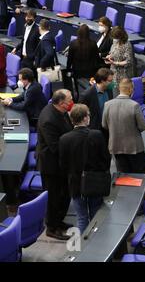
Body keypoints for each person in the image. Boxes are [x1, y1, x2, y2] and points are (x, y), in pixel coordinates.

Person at [59, 104, 110, 233]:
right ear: (86, 118)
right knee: (95, 216)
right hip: (95, 182)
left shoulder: (64, 139)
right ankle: (96, 244)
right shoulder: (97, 135)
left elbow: (63, 165)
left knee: (81, 218)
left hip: (75, 184)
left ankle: (83, 249)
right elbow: (106, 159)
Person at [37, 89, 74, 240]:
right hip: (51, 166)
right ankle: (52, 227)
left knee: (64, 195)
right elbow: (55, 147)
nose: (72, 102)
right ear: (61, 103)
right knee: (54, 197)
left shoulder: (60, 111)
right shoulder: (49, 120)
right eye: (69, 100)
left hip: (61, 164)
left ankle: (59, 221)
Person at [102, 78, 145, 173]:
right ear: (131, 89)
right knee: (137, 176)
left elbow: (104, 125)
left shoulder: (107, 104)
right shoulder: (134, 105)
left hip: (116, 146)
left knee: (122, 175)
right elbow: (142, 126)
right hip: (134, 147)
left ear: (119, 88)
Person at [67, 24, 101, 100]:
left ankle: (80, 99)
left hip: (77, 71)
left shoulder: (73, 43)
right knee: (90, 89)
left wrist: (68, 69)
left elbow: (70, 59)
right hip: (91, 71)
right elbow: (97, 58)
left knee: (78, 90)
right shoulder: (93, 43)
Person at [105, 26, 134, 92]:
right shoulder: (115, 41)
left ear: (120, 36)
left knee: (121, 92)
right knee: (113, 91)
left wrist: (116, 63)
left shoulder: (127, 45)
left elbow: (128, 61)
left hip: (123, 74)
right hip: (114, 72)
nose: (114, 39)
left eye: (115, 37)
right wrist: (110, 56)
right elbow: (113, 52)